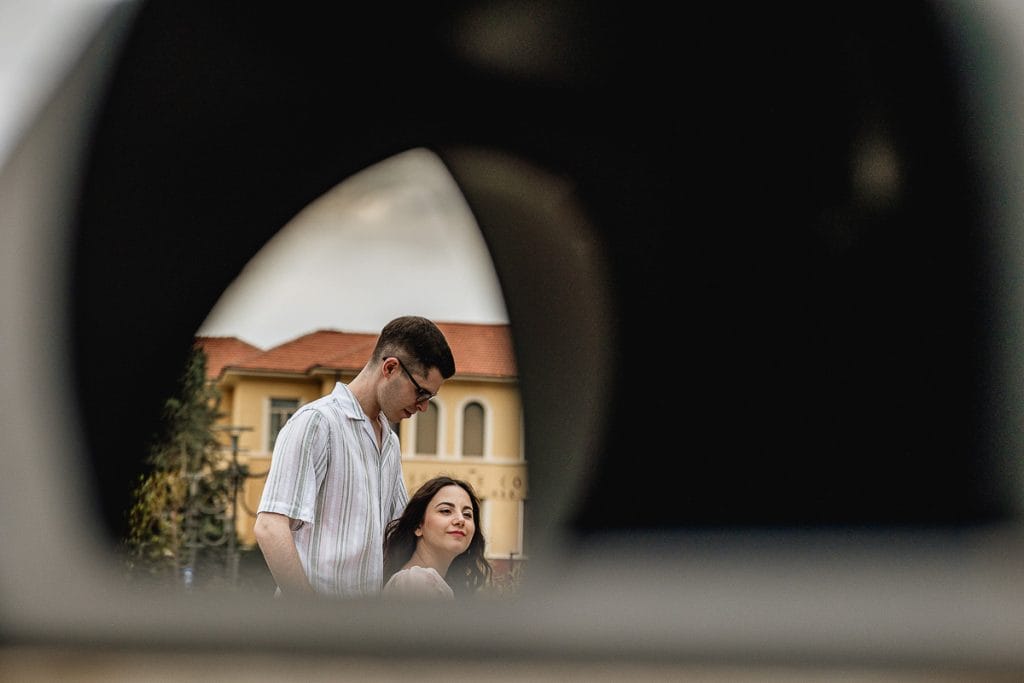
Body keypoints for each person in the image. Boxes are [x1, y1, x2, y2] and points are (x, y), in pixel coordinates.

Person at [253, 316, 456, 598]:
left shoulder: (391, 444)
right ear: (390, 368)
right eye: (421, 392)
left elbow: (396, 536)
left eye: (429, 398)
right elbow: (269, 527)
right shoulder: (317, 422)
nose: (423, 407)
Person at [382, 475, 492, 600]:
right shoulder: (415, 582)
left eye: (467, 514)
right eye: (446, 511)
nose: (461, 520)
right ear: (418, 526)